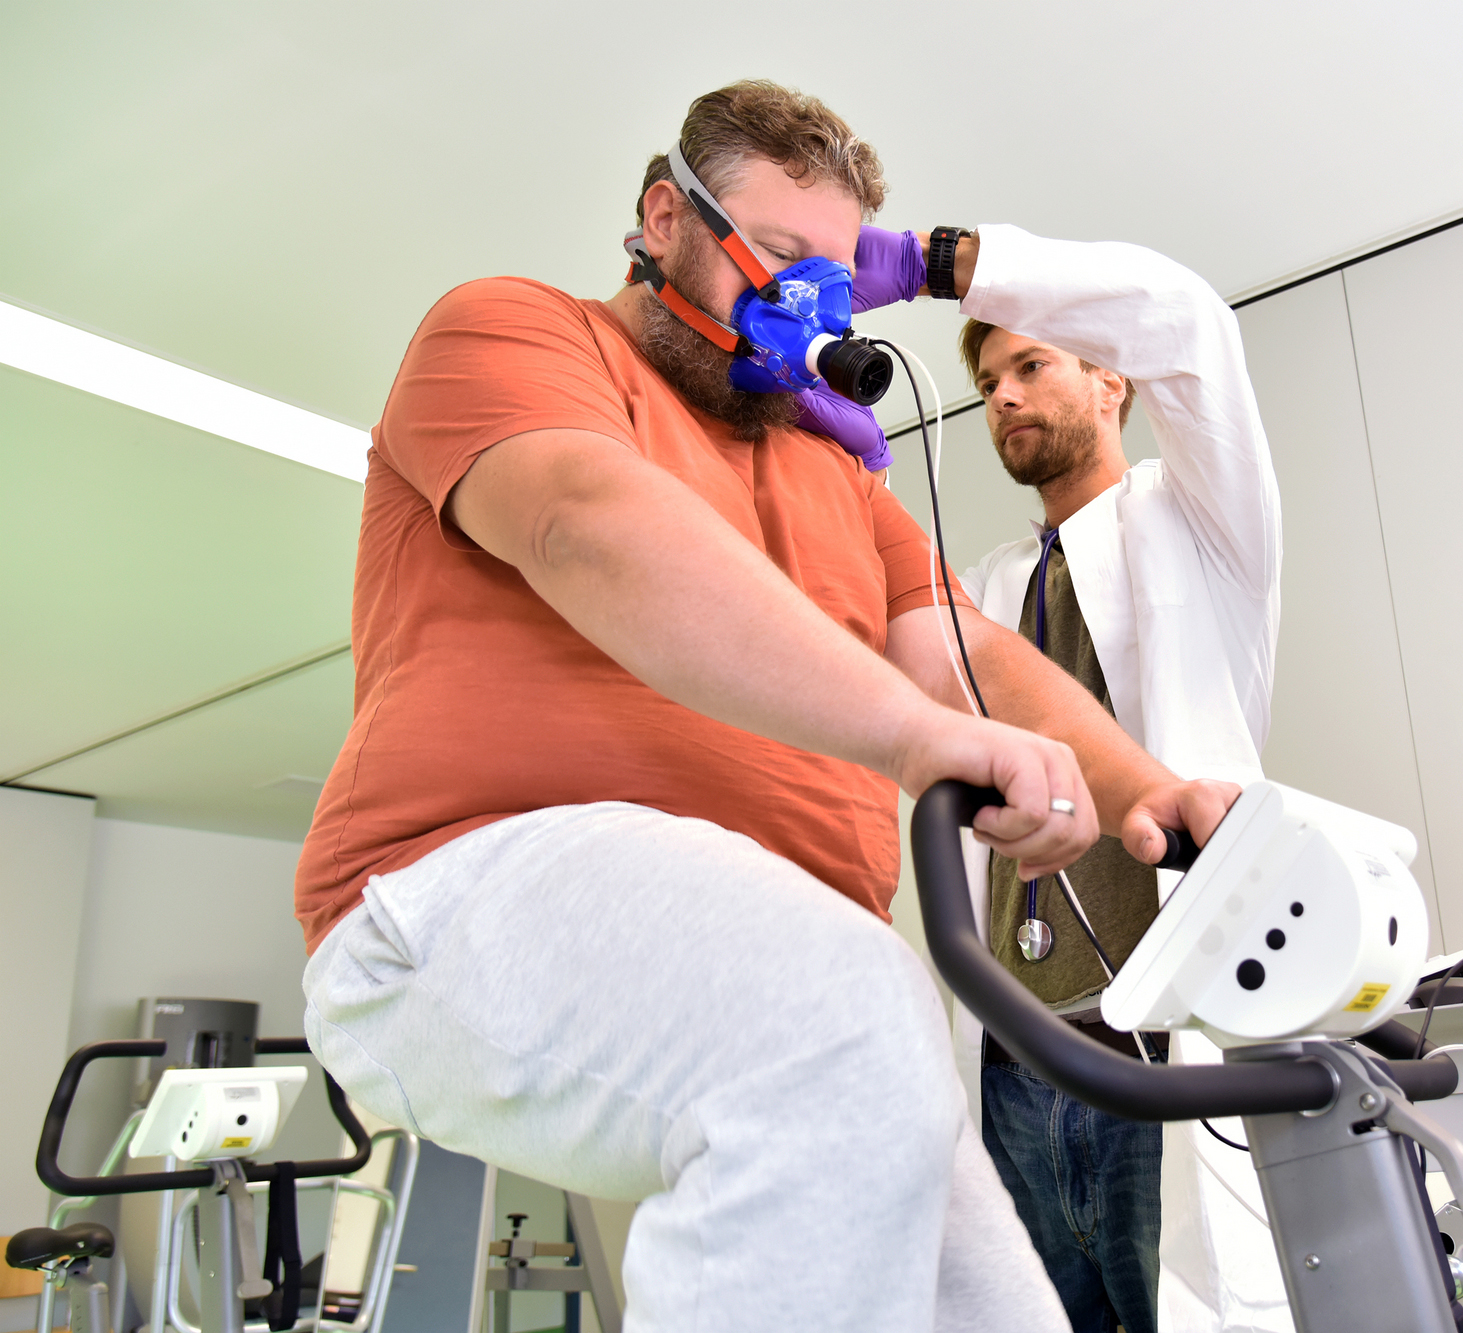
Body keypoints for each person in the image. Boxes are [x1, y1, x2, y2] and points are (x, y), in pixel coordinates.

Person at [291, 80, 1236, 1333]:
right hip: (448, 899)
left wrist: (1148, 791)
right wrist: (913, 737)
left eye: (833, 278)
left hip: (790, 953)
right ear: (662, 219)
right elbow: (584, 523)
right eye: (779, 257)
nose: (805, 303)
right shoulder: (517, 332)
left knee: (1000, 1306)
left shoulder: (829, 467)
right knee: (845, 1021)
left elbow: (965, 654)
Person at [843, 226, 1288, 1331]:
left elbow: (1190, 322)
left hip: (1158, 1062)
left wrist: (937, 262)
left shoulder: (1203, 536)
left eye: (1031, 364)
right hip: (1013, 1066)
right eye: (987, 381)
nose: (1002, 397)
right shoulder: (983, 589)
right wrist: (837, 480)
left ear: (1108, 375)